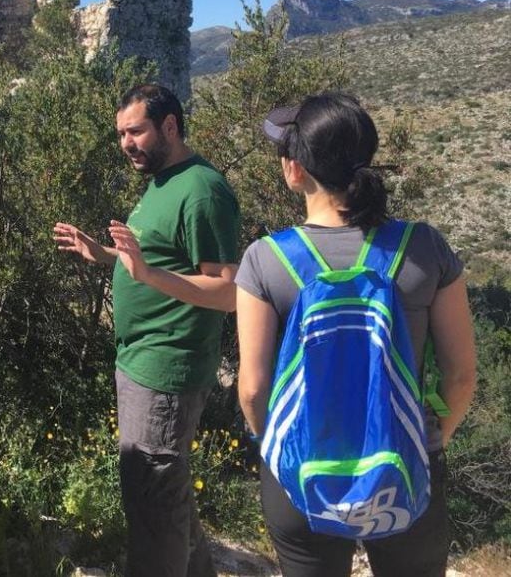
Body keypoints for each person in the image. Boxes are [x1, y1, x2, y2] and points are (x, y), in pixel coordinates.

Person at [235, 92, 476, 577]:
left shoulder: (266, 260)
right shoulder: (424, 248)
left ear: (293, 169)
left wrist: (276, 449)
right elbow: (461, 376)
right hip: (406, 465)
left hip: (302, 472)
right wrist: (433, 439)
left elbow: (253, 389)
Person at [54, 83, 239, 577]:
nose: (126, 143)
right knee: (165, 492)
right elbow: (154, 259)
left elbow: (229, 290)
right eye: (120, 134)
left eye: (135, 131)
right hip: (140, 363)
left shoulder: (202, 190)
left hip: (167, 369)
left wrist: (148, 275)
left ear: (170, 126)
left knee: (151, 500)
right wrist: (102, 253)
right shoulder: (163, 182)